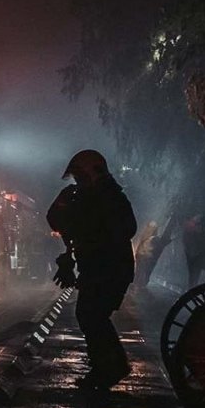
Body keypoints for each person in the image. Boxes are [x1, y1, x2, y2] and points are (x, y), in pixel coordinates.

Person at [46, 149, 137, 389]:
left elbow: (123, 229)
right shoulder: (91, 197)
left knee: (91, 315)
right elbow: (60, 222)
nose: (77, 182)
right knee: (92, 316)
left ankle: (108, 368)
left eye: (80, 177)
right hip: (100, 268)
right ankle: (110, 366)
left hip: (109, 269)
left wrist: (92, 239)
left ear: (92, 174)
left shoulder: (108, 198)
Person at [182, 214, 205, 288]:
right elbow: (193, 248)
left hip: (201, 258)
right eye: (199, 225)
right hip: (196, 259)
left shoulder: (202, 233)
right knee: (193, 281)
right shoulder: (190, 234)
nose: (201, 227)